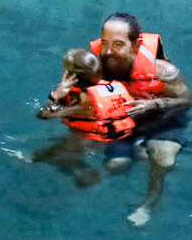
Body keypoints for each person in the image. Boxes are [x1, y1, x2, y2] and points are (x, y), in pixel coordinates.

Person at [89, 12, 192, 226]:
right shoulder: (95, 66)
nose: (108, 51)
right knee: (116, 166)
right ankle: (138, 150)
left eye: (118, 44)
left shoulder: (163, 71)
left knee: (164, 160)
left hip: (162, 119)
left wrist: (154, 104)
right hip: (125, 118)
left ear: (135, 45)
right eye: (105, 43)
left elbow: (187, 100)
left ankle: (147, 205)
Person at [32, 48, 136, 187]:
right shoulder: (109, 88)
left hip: (88, 140)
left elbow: (43, 115)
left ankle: (88, 174)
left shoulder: (83, 101)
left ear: (70, 76)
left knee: (43, 156)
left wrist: (57, 95)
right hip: (117, 135)